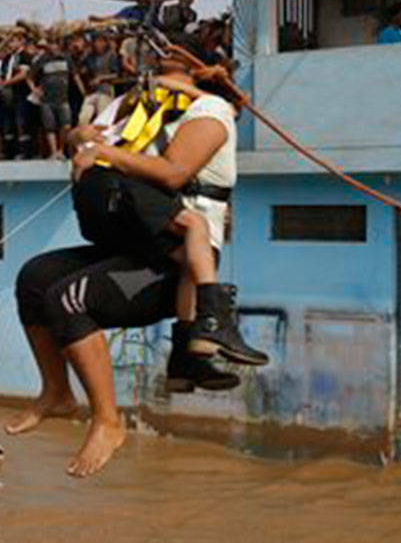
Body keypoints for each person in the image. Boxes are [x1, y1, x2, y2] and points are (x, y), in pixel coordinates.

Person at [8, 52, 258, 477]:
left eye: (165, 69)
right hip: (138, 238)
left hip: (177, 259)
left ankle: (108, 421)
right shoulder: (142, 104)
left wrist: (105, 152)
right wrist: (78, 136)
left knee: (70, 298)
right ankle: (56, 392)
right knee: (35, 278)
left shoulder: (208, 111)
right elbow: (89, 139)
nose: (155, 77)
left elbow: (174, 173)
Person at [71, 59, 267, 368]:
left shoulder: (177, 106)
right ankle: (214, 322)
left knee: (192, 260)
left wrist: (81, 136)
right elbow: (173, 167)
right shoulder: (156, 102)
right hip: (119, 184)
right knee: (194, 228)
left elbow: (231, 102)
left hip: (114, 187)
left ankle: (187, 358)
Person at [29, 38, 72, 159]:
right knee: (50, 127)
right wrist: (34, 89)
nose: (54, 46)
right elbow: (30, 76)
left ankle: (61, 150)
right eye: (52, 43)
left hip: (63, 97)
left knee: (66, 125)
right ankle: (54, 152)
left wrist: (84, 92)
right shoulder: (42, 60)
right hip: (47, 99)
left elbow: (75, 75)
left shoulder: (66, 58)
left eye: (55, 43)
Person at [78, 33, 119, 125]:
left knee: (102, 120)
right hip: (91, 91)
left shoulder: (111, 55)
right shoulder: (89, 57)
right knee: (82, 119)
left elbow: (116, 74)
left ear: (104, 42)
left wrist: (101, 78)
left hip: (105, 91)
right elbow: (81, 70)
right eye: (95, 41)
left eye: (99, 41)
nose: (96, 44)